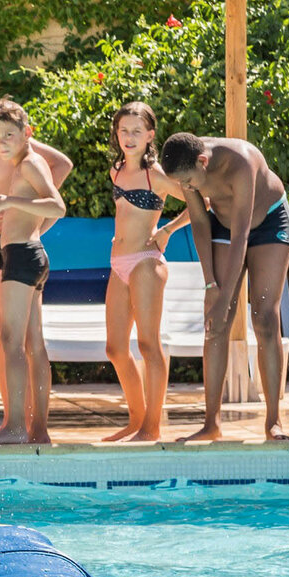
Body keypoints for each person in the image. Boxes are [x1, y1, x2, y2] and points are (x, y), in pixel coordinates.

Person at [0, 74, 71, 438]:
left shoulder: (17, 148)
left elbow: (58, 180)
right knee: (1, 335)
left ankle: (19, 424)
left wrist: (30, 220)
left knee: (15, 341)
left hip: (18, 250)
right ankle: (22, 423)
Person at [161, 132, 289, 441]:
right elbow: (198, 219)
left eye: (191, 182)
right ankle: (211, 423)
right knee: (215, 323)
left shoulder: (242, 163)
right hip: (222, 222)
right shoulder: (187, 166)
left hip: (269, 222)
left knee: (265, 318)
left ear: (203, 161)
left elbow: (241, 238)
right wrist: (211, 286)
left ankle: (273, 422)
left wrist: (225, 301)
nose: (190, 188)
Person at [101, 103, 190, 443]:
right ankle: (136, 421)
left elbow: (202, 203)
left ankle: (151, 427)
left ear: (151, 135)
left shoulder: (157, 174)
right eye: (124, 130)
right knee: (115, 348)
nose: (129, 136)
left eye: (137, 131)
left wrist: (168, 230)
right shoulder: (117, 170)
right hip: (119, 263)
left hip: (146, 262)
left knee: (148, 344)